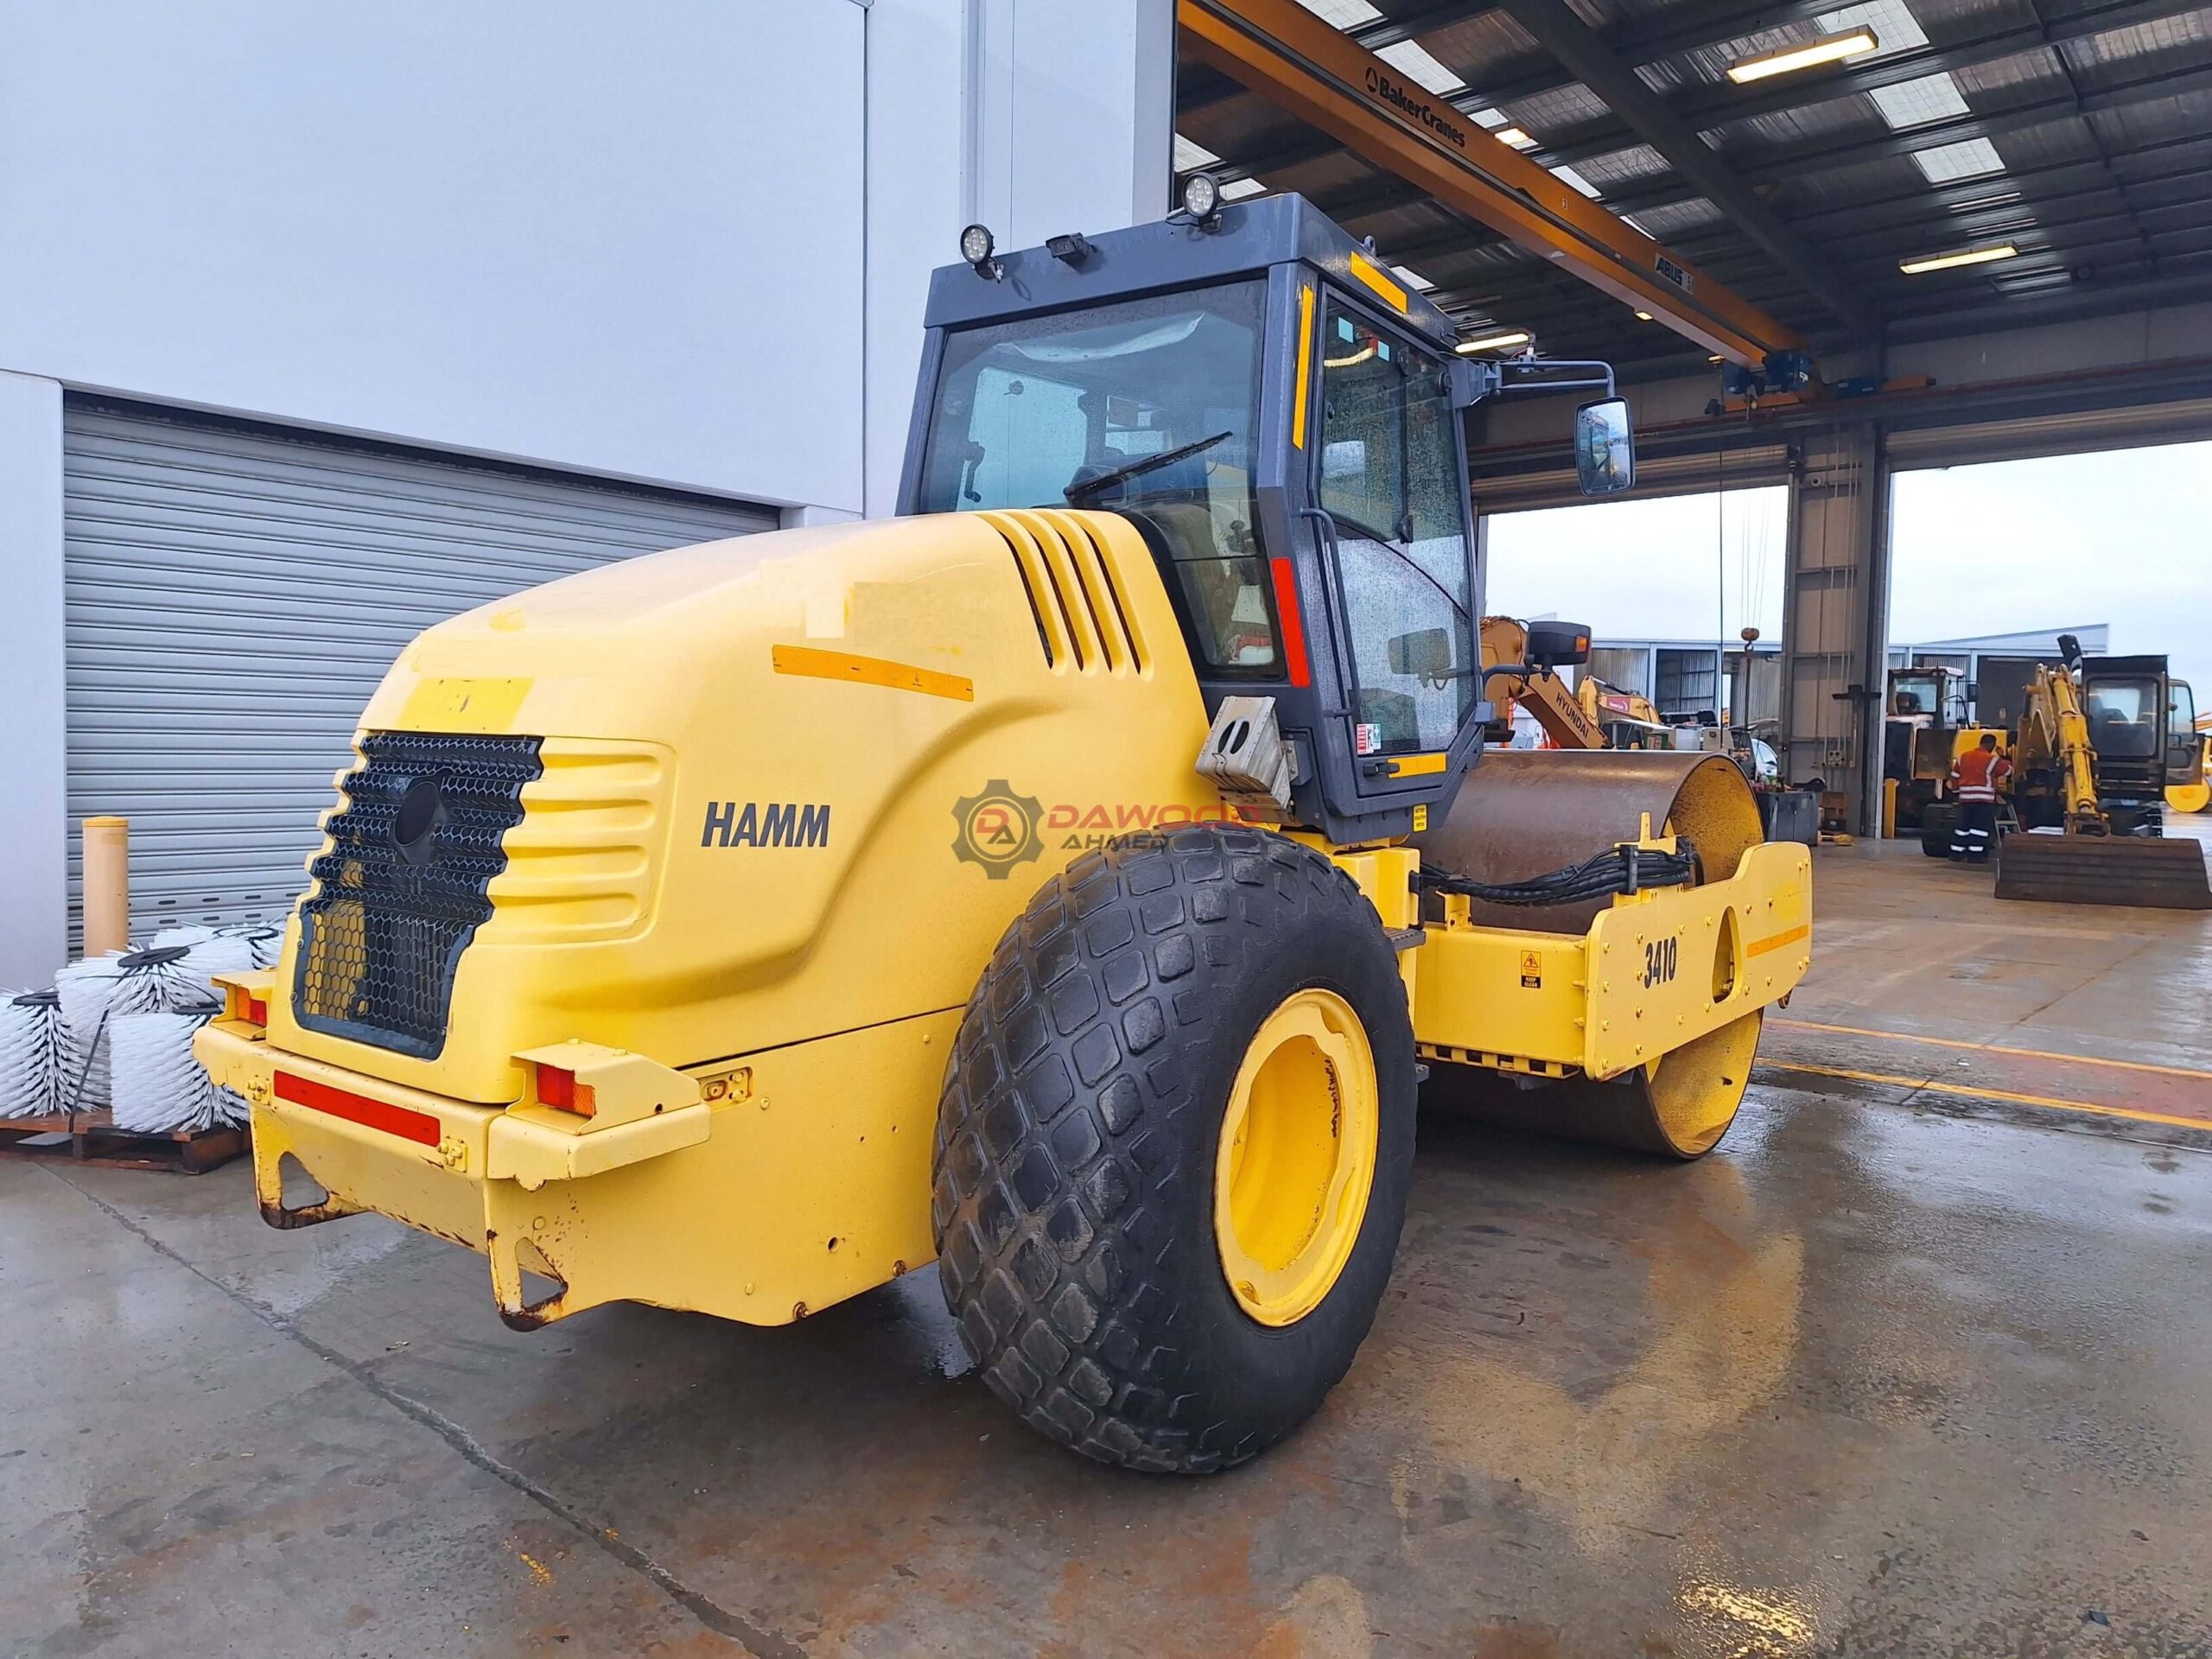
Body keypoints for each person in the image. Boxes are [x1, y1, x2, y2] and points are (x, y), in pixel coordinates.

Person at [1948, 734, 2012, 863]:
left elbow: (1954, 776)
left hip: (1965, 799)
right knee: (1980, 829)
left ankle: (1956, 854)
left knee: (1962, 828)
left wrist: (1956, 791)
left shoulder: (1963, 756)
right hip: (1983, 800)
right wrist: (2003, 757)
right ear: (1992, 744)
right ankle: (1975, 856)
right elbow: (2008, 771)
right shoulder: (1991, 759)